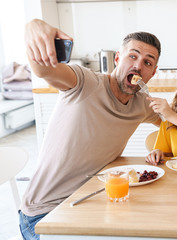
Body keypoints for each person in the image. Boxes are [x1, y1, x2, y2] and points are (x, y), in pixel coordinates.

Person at [19, 19, 162, 240]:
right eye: (132, 56)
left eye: (148, 62)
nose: (138, 66)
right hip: (44, 214)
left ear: (152, 74)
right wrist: (33, 27)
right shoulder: (85, 82)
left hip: (91, 201)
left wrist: (159, 145)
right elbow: (44, 70)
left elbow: (172, 126)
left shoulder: (142, 105)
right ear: (117, 58)